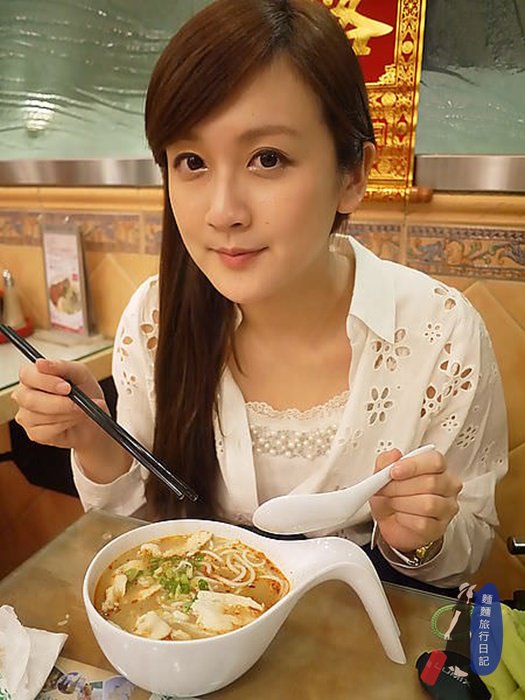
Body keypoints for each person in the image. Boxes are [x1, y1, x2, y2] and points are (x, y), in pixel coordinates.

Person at [12, 0, 507, 591]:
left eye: (267, 159)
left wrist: (417, 539)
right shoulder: (155, 319)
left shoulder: (441, 337)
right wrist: (95, 437)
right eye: (191, 161)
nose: (223, 212)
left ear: (353, 175)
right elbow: (138, 532)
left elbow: (469, 552)